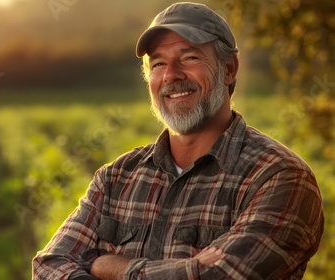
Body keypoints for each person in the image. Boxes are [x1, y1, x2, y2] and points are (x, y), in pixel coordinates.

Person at [32, 2, 324, 279]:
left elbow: (219, 276)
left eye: (190, 58)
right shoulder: (117, 178)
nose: (172, 75)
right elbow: (49, 266)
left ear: (229, 69)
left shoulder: (279, 177)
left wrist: (110, 267)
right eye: (158, 64)